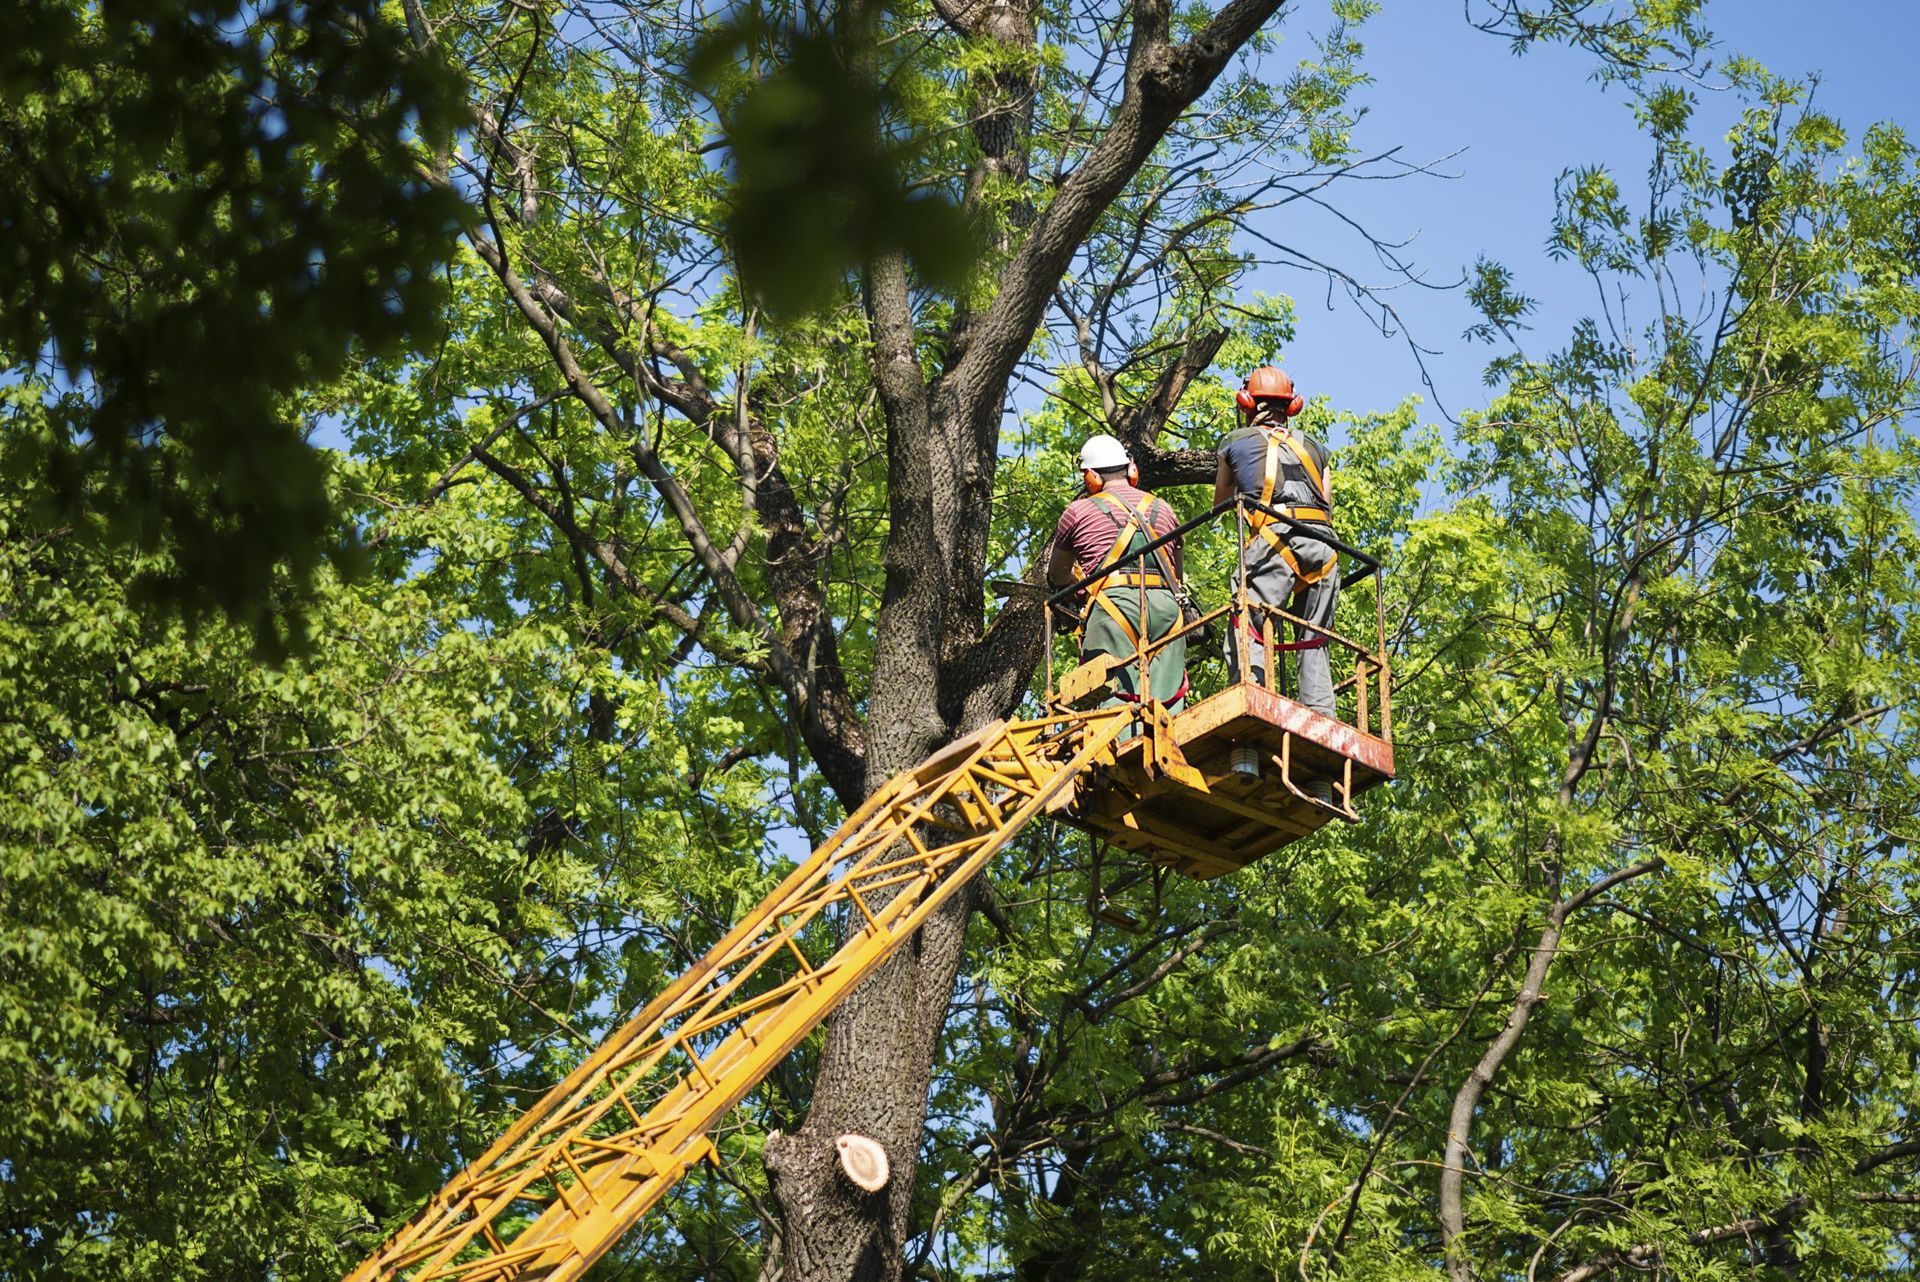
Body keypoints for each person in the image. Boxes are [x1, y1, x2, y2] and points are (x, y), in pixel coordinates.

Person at [1214, 366, 1340, 720]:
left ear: (1247, 402)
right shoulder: (1317, 447)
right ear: (1292, 405)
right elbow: (1326, 504)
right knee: (1313, 635)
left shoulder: (1234, 441)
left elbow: (1222, 501)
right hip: (1325, 547)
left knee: (1248, 619)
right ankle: (1321, 715)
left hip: (1275, 539)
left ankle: (1252, 700)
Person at [1048, 433, 1188, 707]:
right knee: (1169, 697)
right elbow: (1177, 575)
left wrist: (1076, 585)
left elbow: (1057, 575)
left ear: (1091, 477)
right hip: (1167, 609)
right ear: (1131, 470)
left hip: (1113, 608)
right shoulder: (1164, 509)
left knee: (1112, 695)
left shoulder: (1077, 511)